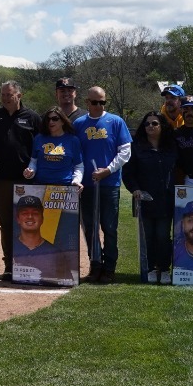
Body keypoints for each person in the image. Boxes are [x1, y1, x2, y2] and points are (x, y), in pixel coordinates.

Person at [73, 86, 132, 283]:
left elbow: (125, 151)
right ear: (87, 102)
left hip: (109, 184)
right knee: (90, 227)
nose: (98, 106)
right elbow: (75, 153)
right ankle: (95, 264)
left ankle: (109, 267)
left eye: (102, 102)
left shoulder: (116, 122)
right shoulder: (79, 123)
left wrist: (107, 170)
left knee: (109, 227)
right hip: (87, 185)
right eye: (94, 102)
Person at [0, 81, 41, 278]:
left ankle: (28, 263)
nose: (6, 98)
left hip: (28, 181)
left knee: (27, 222)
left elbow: (41, 147)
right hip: (3, 180)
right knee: (6, 223)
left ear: (19, 95)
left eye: (10, 94)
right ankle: (9, 264)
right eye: (3, 95)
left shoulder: (32, 118)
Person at [122, 111, 177, 284]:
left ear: (162, 126)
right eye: (147, 124)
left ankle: (165, 269)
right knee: (149, 237)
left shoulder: (171, 147)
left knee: (163, 236)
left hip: (166, 200)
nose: (150, 127)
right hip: (145, 200)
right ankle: (151, 268)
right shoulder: (136, 147)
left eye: (154, 123)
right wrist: (135, 189)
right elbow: (128, 174)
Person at [24, 108, 86, 186]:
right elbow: (33, 162)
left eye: (55, 119)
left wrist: (76, 181)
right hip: (41, 186)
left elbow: (79, 166)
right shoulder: (39, 138)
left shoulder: (73, 140)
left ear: (63, 121)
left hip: (65, 187)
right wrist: (30, 172)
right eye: (48, 119)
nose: (51, 122)